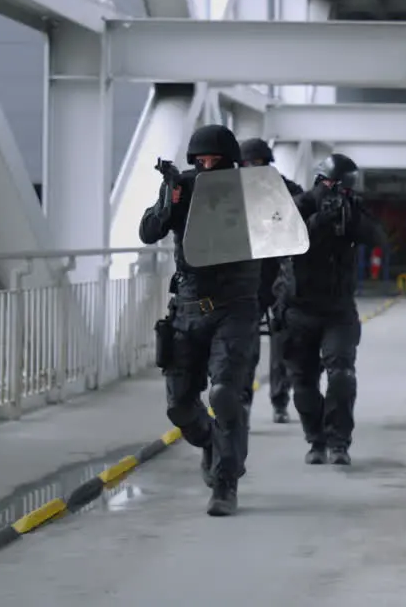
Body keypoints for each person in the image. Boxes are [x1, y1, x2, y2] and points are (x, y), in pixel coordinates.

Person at [139, 124, 264, 517]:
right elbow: (148, 232)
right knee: (179, 406)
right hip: (188, 308)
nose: (207, 167)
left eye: (216, 161)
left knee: (225, 393)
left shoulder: (250, 192)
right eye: (201, 161)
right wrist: (168, 201)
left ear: (231, 162)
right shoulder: (184, 186)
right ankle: (212, 443)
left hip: (234, 306)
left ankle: (225, 483)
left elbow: (280, 235)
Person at [281, 153, 385, 466]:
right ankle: (316, 440)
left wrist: (352, 215)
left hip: (338, 310)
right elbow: (280, 241)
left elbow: (377, 239)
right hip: (299, 310)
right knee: (304, 382)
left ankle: (339, 442)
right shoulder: (299, 206)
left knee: (341, 375)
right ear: (324, 181)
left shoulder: (351, 210)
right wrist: (318, 221)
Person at [237, 138, 304, 424]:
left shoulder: (287, 190)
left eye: (257, 163)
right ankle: (243, 406)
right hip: (248, 277)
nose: (252, 168)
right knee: (245, 348)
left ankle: (279, 401)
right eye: (248, 164)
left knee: (282, 344)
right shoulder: (234, 192)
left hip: (277, 276)